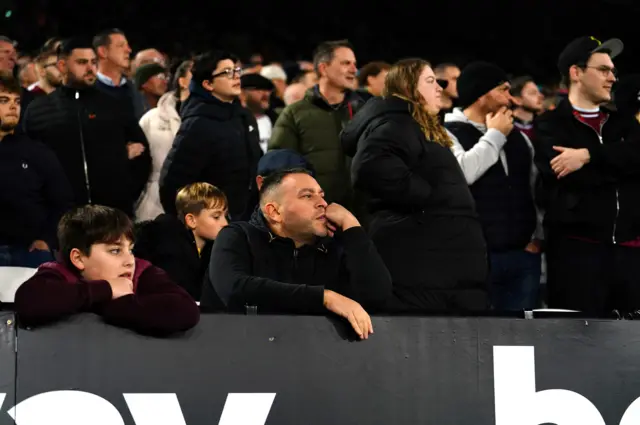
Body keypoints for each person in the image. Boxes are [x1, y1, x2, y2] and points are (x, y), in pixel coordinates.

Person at [341, 58, 489, 313]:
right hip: (420, 263)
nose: (439, 88)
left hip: (441, 263)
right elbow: (371, 167)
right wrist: (426, 196)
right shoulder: (395, 124)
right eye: (430, 81)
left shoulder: (420, 126)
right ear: (408, 87)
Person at [201, 168, 392, 339]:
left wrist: (352, 226)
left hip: (311, 359)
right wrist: (324, 298)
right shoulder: (238, 236)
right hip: (233, 353)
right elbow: (235, 288)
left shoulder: (333, 248)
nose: (323, 203)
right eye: (308, 196)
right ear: (274, 212)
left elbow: (376, 296)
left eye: (321, 195)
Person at [534, 36, 640, 315]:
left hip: (629, 252)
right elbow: (570, 178)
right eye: (603, 70)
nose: (612, 78)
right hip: (576, 255)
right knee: (577, 346)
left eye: (613, 71)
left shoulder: (623, 122)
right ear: (576, 72)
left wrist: (587, 156)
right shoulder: (550, 125)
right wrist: (620, 163)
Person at [444, 62, 541, 311]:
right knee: (477, 340)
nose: (511, 99)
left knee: (522, 342)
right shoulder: (447, 132)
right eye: (504, 90)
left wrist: (536, 237)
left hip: (522, 255)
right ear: (482, 93)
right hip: (474, 258)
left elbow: (532, 189)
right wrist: (495, 135)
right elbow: (463, 173)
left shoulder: (518, 137)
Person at [15, 205, 200, 334]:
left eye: (131, 249)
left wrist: (112, 305)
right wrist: (106, 289)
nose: (129, 261)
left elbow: (186, 311)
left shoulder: (142, 272)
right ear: (78, 258)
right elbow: (29, 301)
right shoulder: (59, 273)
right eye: (115, 250)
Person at [22, 37, 151, 218]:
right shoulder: (39, 110)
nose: (90, 68)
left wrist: (125, 193)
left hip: (113, 213)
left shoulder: (113, 106)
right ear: (62, 65)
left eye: (93, 62)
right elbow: (28, 163)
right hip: (61, 217)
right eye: (82, 62)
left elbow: (142, 154)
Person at [159, 50, 262, 222]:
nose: (236, 77)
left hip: (245, 219)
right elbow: (173, 183)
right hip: (211, 224)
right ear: (208, 84)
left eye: (236, 71)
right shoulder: (198, 124)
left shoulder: (244, 117)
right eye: (227, 72)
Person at [269, 40, 366, 209]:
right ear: (323, 68)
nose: (353, 70)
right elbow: (280, 169)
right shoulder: (294, 113)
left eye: (354, 64)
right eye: (346, 63)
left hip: (360, 215)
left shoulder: (364, 111)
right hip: (315, 215)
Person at [0, 74, 73, 267]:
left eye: (16, 101)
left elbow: (62, 201)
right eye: (4, 100)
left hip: (29, 253)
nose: (13, 107)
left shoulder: (38, 152)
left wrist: (47, 240)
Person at [135, 183, 228, 300]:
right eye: (216, 217)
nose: (225, 223)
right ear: (191, 220)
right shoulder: (167, 245)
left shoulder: (212, 250)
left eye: (225, 216)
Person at [136, 60, 192, 222]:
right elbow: (139, 167)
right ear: (182, 81)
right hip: (154, 206)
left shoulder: (212, 120)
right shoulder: (151, 119)